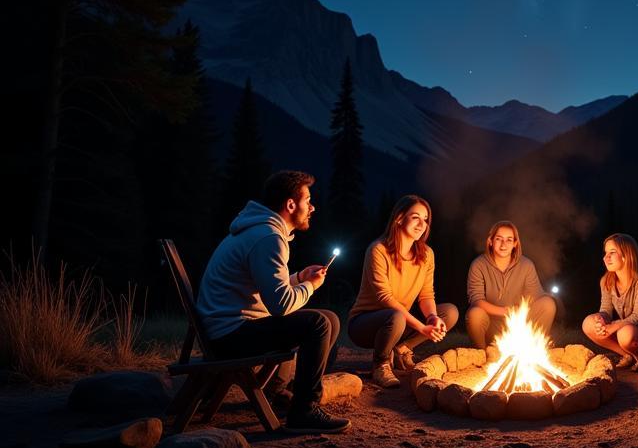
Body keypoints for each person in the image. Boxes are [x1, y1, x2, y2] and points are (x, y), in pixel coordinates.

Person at [196, 170, 349, 434]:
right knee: (318, 324)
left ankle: (285, 394)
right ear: (291, 204)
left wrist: (299, 277)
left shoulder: (261, 231)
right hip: (229, 336)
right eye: (307, 200)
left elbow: (265, 285)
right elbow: (279, 304)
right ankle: (304, 411)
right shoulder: (269, 237)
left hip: (227, 329)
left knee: (331, 319)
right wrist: (310, 286)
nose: (312, 207)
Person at [347, 194, 459, 389]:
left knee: (449, 312)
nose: (421, 224)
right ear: (399, 218)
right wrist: (422, 328)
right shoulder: (378, 250)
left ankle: (401, 349)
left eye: (425, 219)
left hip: (399, 320)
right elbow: (385, 299)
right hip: (365, 324)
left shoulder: (426, 254)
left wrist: (432, 318)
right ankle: (380, 364)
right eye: (415, 217)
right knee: (396, 315)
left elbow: (426, 294)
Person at [466, 220, 557, 350]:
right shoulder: (478, 265)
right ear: (491, 241)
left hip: (518, 325)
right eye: (499, 239)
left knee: (548, 303)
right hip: (491, 327)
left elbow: (536, 296)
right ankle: (482, 354)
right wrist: (506, 312)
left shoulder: (526, 265)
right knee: (474, 314)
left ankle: (534, 348)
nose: (504, 244)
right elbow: (476, 300)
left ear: (515, 244)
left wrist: (519, 312)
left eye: (509, 240)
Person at [581, 233, 638, 371]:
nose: (606, 257)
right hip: (625, 328)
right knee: (588, 323)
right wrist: (601, 318)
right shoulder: (607, 281)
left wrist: (615, 326)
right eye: (605, 253)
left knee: (625, 333)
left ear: (626, 255)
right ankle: (628, 356)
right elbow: (606, 310)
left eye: (612, 252)